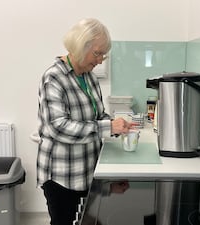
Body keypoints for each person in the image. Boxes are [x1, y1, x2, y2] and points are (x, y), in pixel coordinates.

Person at [36, 18, 134, 225]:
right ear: (81, 47)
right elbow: (58, 127)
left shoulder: (89, 77)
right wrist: (108, 126)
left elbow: (98, 117)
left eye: (103, 54)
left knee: (89, 221)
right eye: (97, 53)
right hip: (63, 177)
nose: (100, 60)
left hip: (87, 172)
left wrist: (117, 125)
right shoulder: (53, 78)